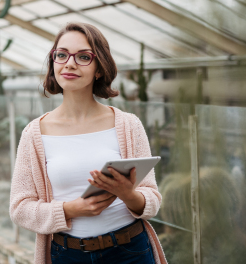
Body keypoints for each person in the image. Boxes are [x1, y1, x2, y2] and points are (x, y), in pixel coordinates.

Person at [9, 22, 167, 264]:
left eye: (83, 57)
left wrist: (129, 195)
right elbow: (20, 208)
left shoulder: (127, 124)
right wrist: (71, 209)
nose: (69, 63)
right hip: (68, 255)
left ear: (99, 69)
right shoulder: (34, 134)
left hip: (130, 252)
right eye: (61, 55)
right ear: (53, 63)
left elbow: (152, 197)